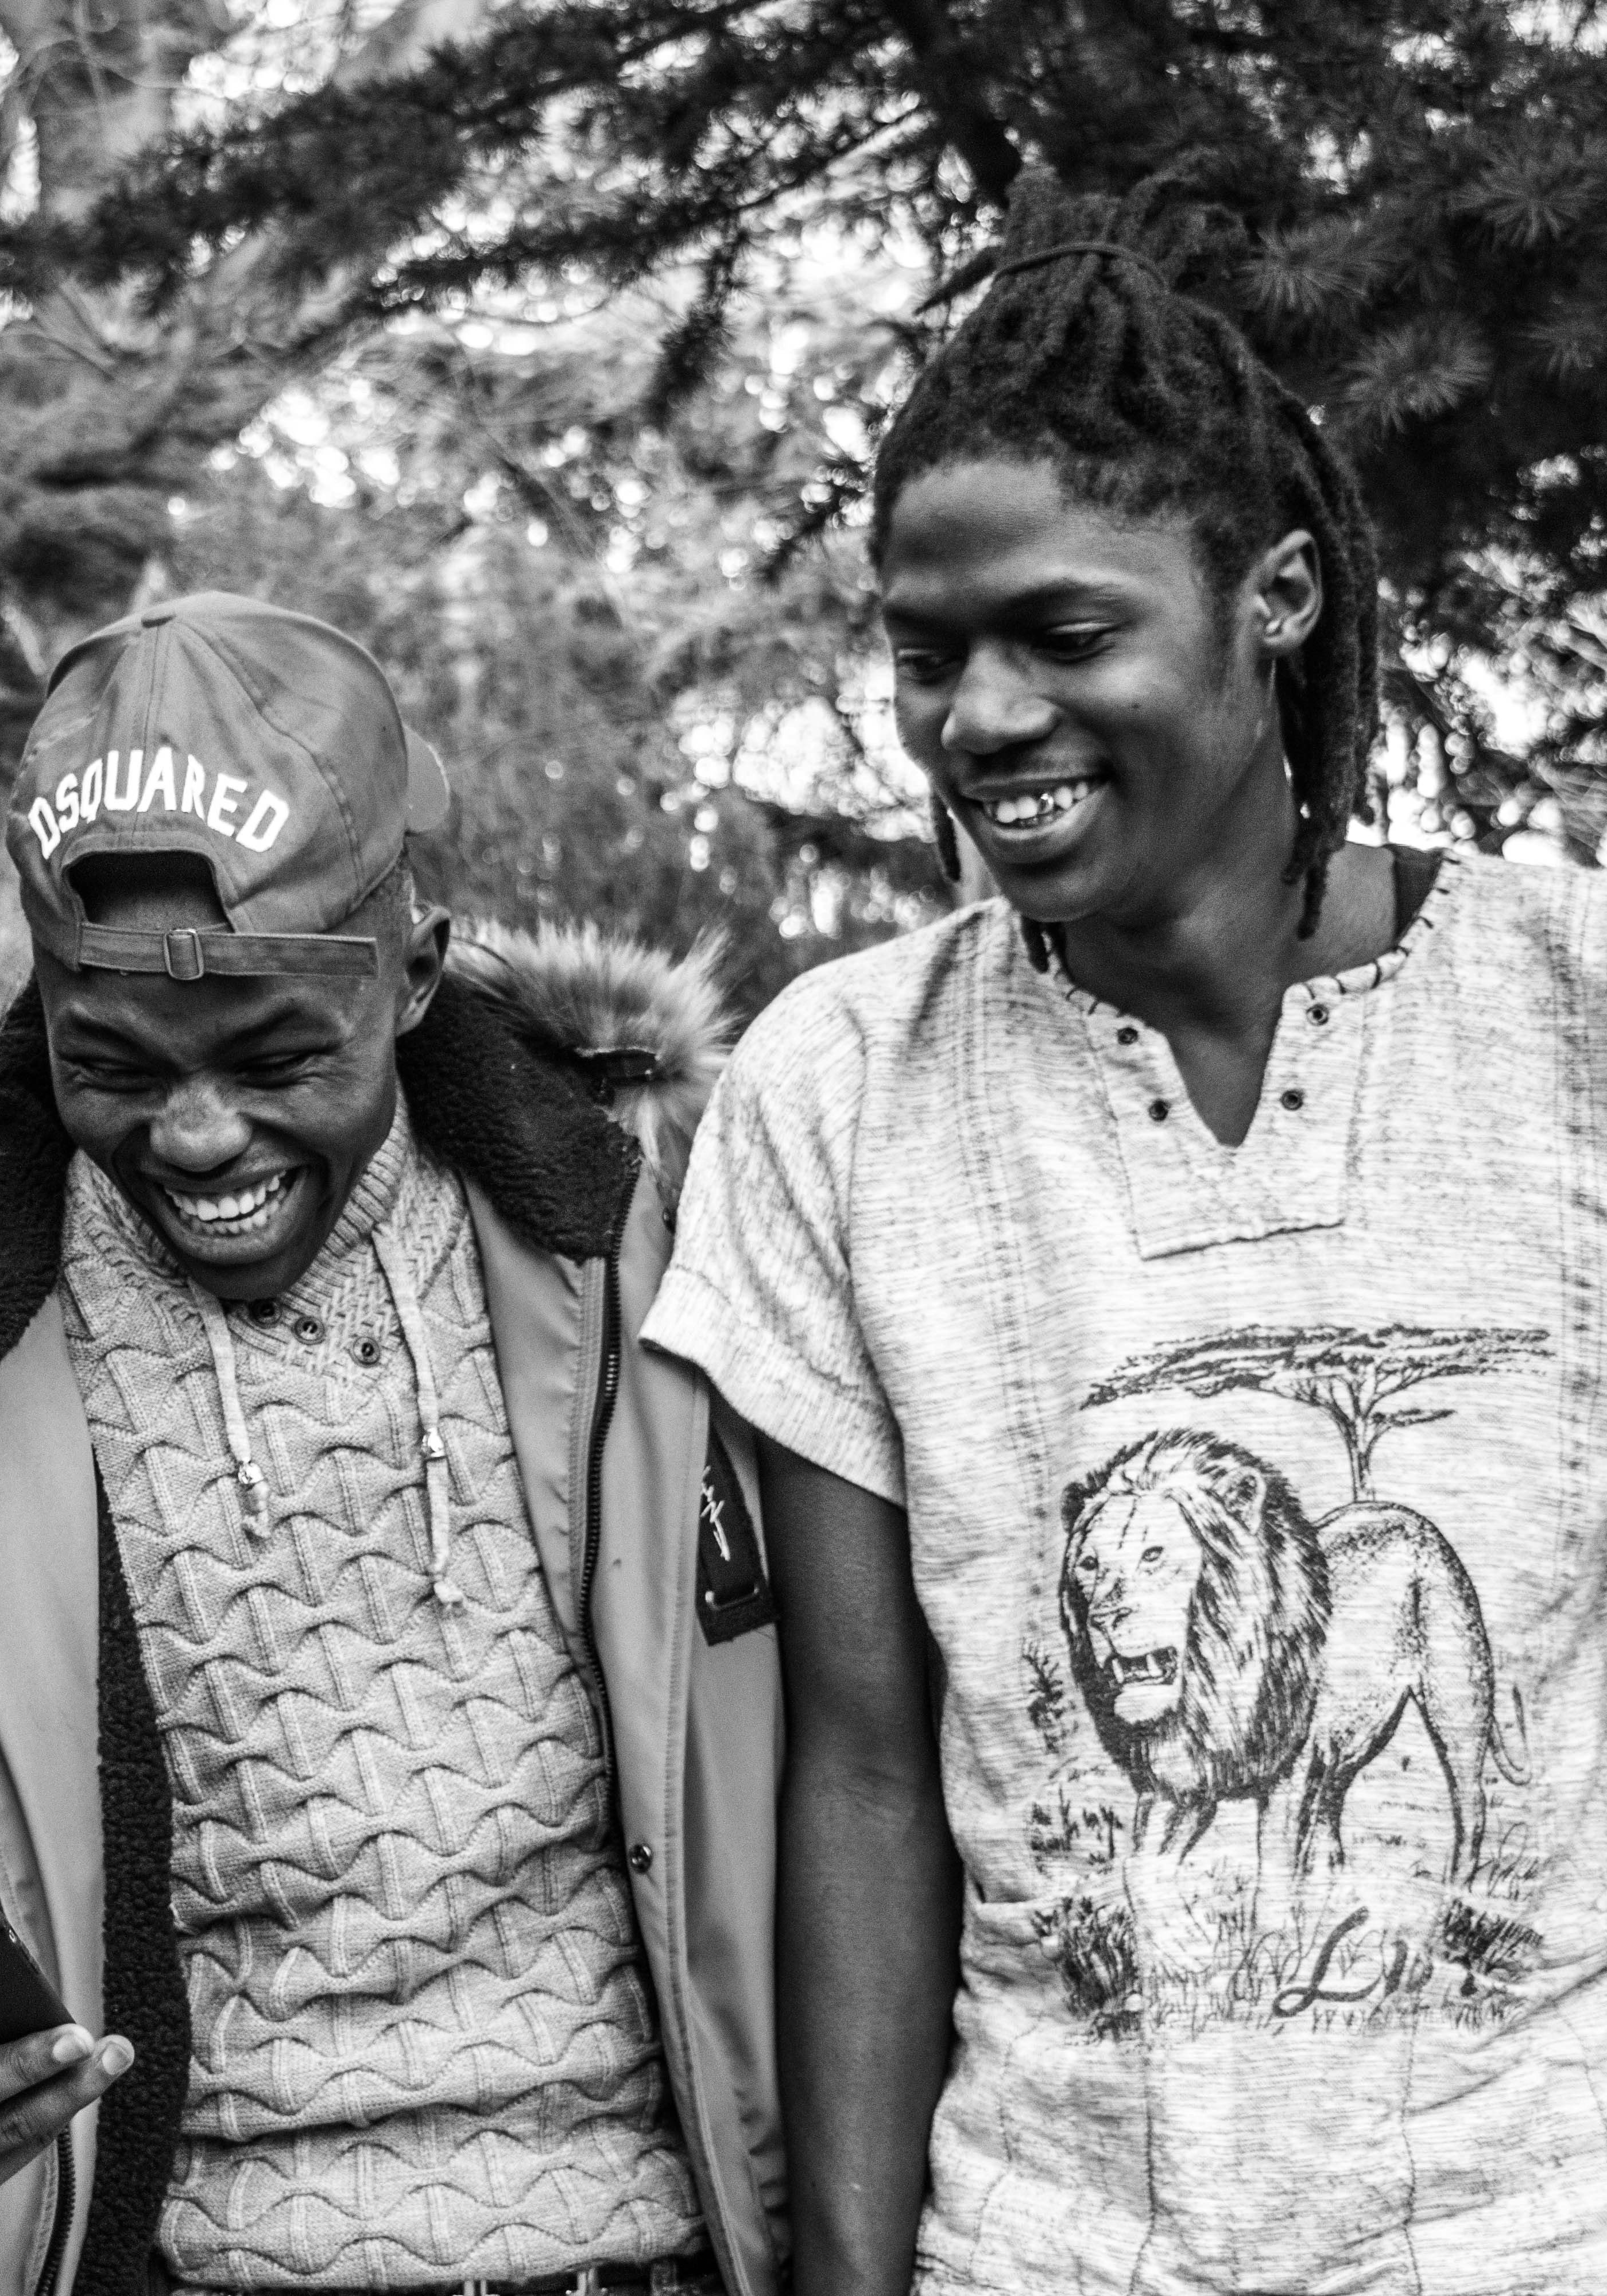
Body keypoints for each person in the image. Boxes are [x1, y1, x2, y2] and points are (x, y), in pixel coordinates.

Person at [645, 175, 1607, 2296]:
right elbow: (871, 1774)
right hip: (1052, 2247)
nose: (979, 720)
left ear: (1272, 597)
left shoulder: (1566, 1011)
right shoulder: (844, 1091)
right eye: (926, 658)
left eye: (1066, 636)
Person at [0, 592, 785, 2296]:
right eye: (112, 1062)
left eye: (273, 1056)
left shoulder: (667, 1238)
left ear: (412, 969)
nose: (195, 1135)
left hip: (656, 2250)